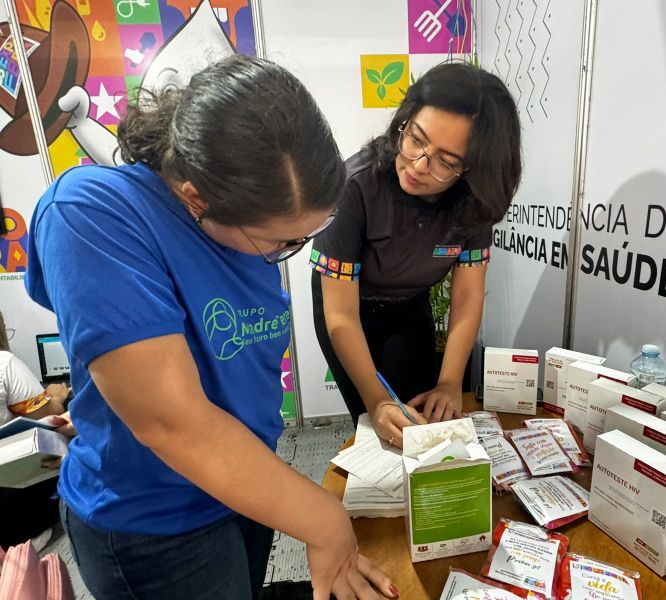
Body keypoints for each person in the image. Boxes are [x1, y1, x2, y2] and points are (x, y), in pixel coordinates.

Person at [25, 55, 395, 600]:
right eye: (278, 243)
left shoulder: (242, 218)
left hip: (247, 489)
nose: (288, 254)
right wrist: (323, 519)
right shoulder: (89, 212)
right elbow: (174, 423)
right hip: (153, 520)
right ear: (195, 195)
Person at [311, 62, 521, 447]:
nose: (419, 165)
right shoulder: (355, 187)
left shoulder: (473, 203)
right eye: (416, 139)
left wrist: (449, 382)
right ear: (404, 121)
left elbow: (467, 296)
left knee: (423, 412)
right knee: (377, 420)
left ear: (474, 169)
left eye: (447, 162)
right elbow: (340, 314)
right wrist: (375, 401)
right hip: (348, 307)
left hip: (409, 306)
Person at [0, 311, 71, 550]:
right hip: (10, 499)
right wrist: (56, 396)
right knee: (68, 454)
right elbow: (46, 417)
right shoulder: (5, 364)